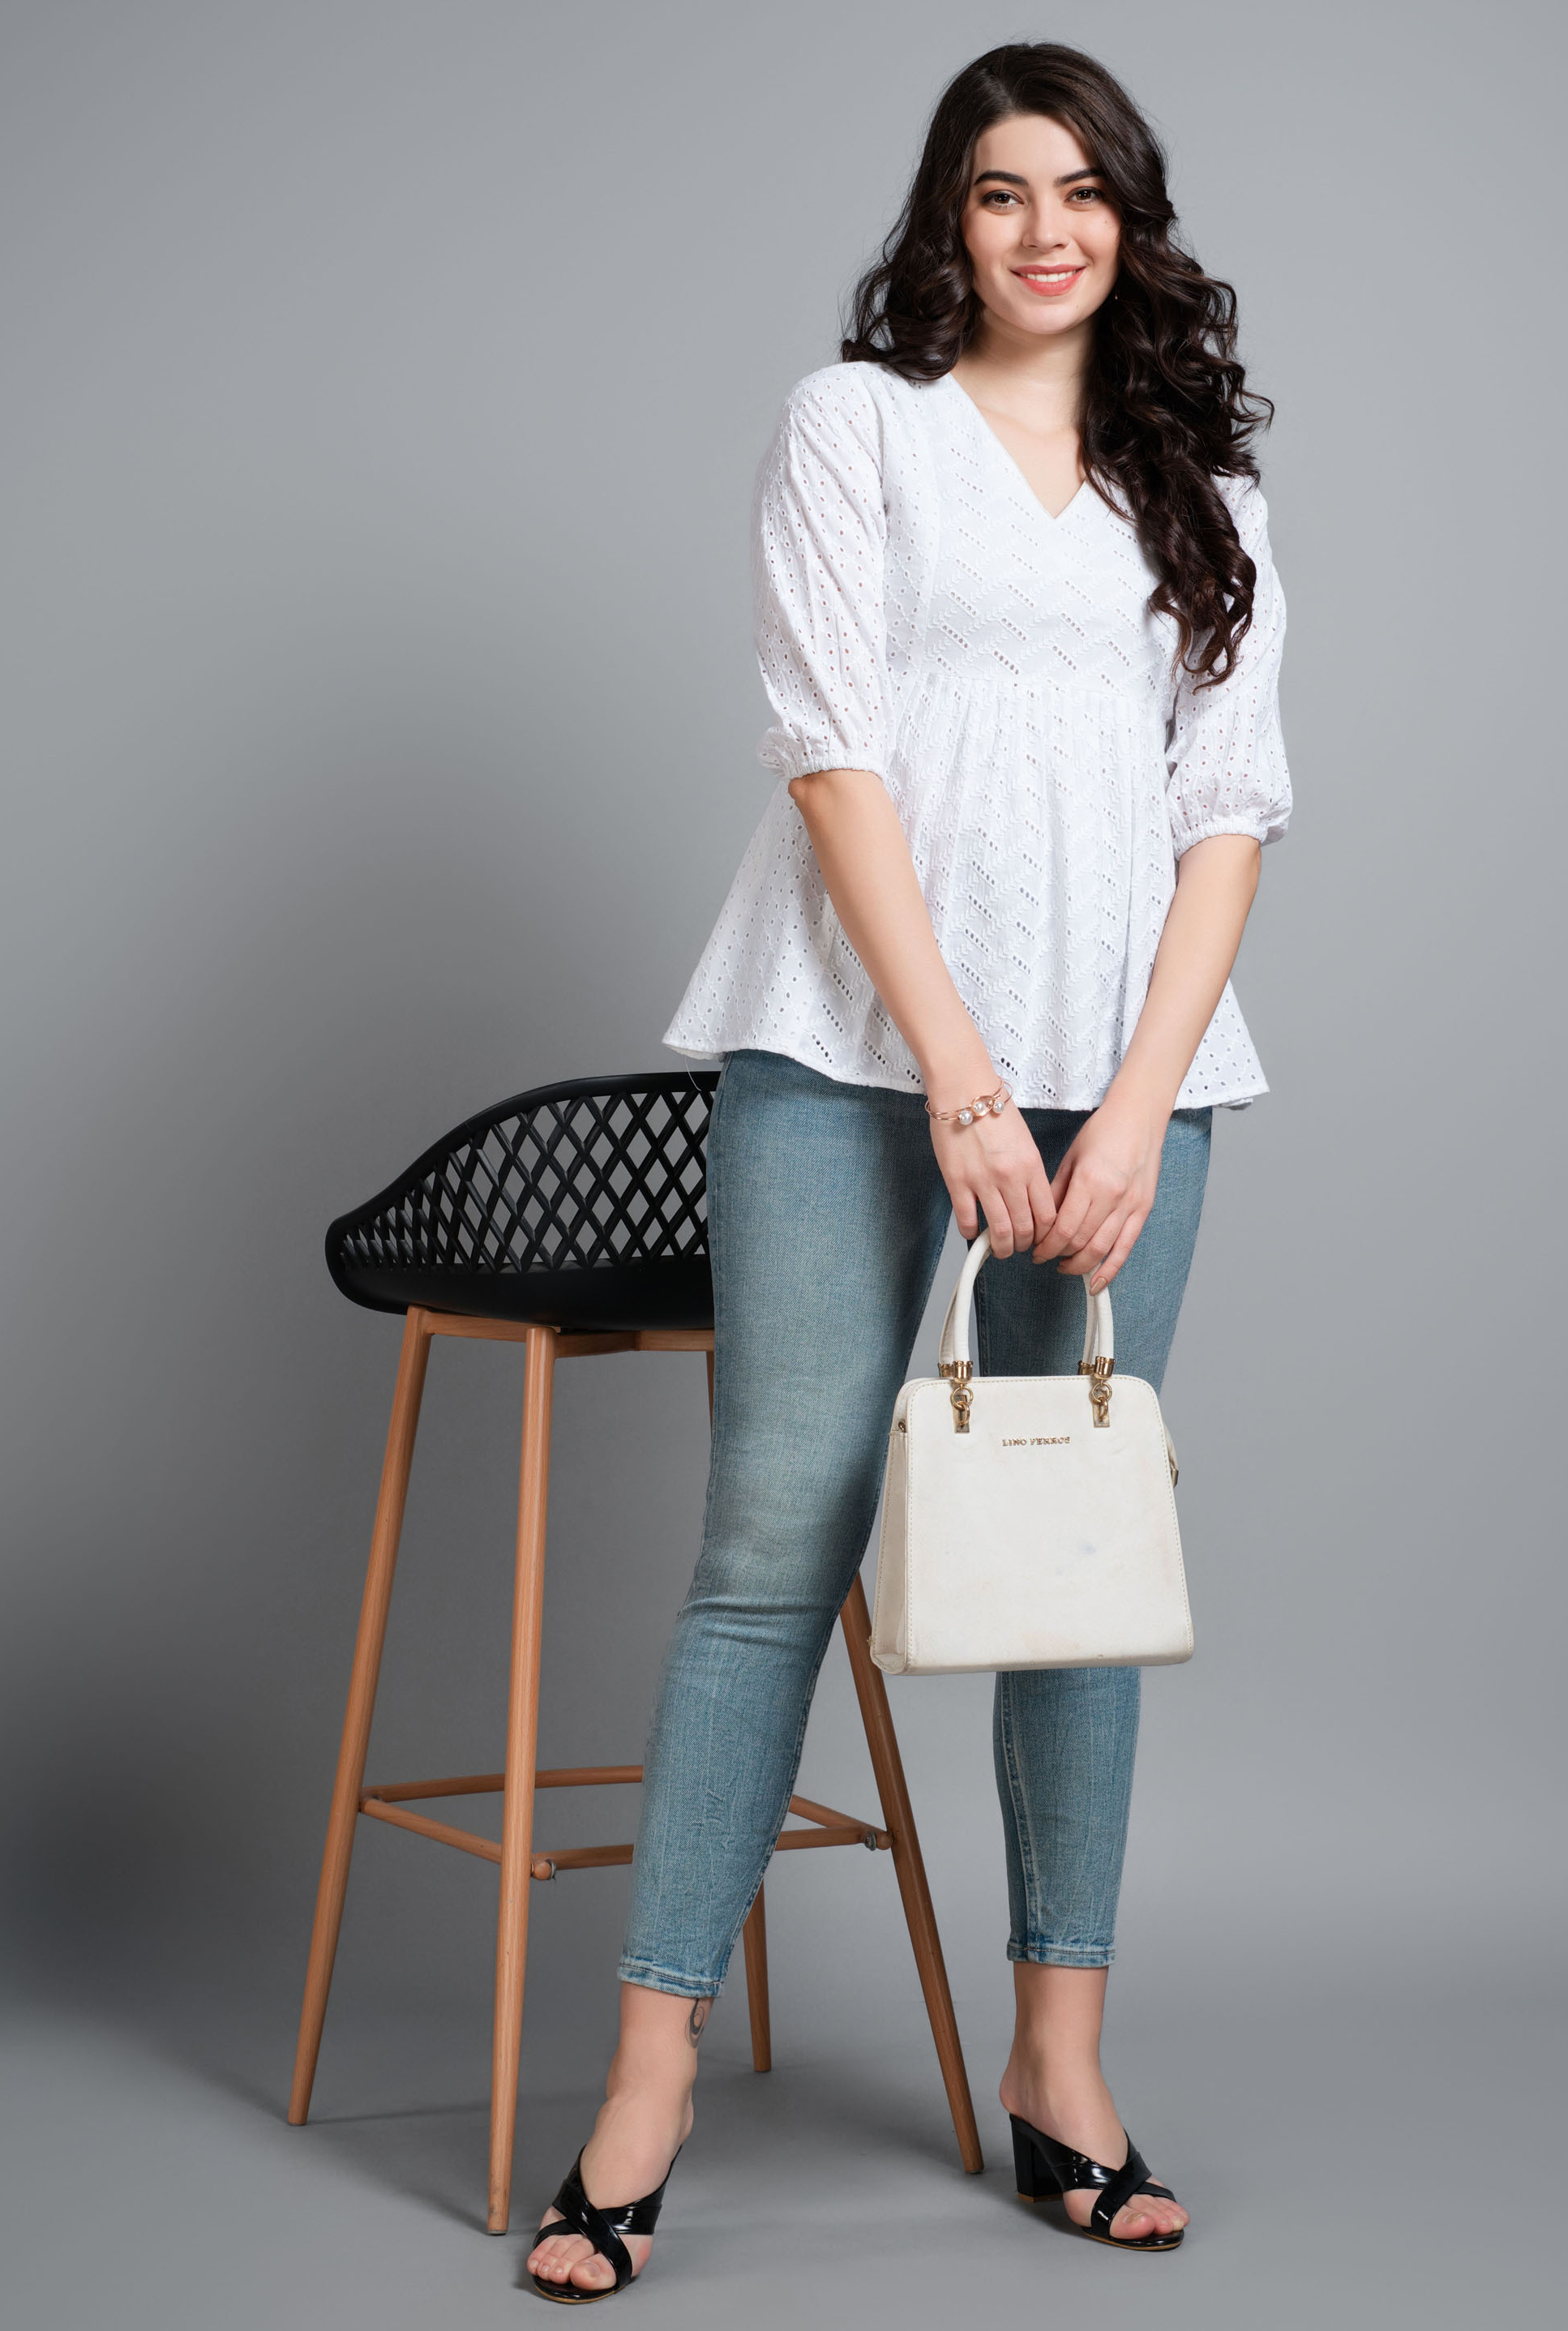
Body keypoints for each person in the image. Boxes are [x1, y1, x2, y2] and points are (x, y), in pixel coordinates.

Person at [527, 39, 1291, 2300]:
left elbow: (1230, 810)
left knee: (1076, 1563)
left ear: (1132, 222)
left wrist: (1133, 1100)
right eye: (999, 191)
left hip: (1124, 1078)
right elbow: (831, 753)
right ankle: (646, 2078)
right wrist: (960, 1076)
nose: (1046, 229)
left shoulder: (1209, 495)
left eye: (1083, 190)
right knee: (773, 1545)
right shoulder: (854, 427)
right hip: (854, 1056)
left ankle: (1064, 2065)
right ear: (947, 220)